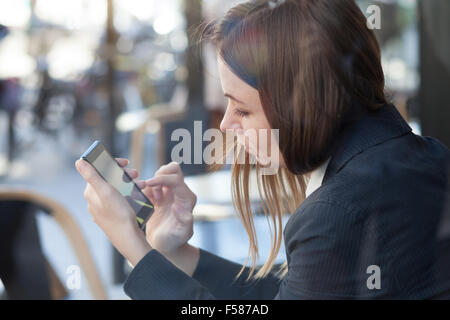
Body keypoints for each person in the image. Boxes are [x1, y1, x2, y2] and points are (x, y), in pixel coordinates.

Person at [75, 0, 450, 299]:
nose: (225, 125)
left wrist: (132, 245)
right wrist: (174, 252)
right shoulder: (427, 158)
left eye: (242, 108)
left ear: (301, 105)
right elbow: (289, 292)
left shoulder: (338, 212)